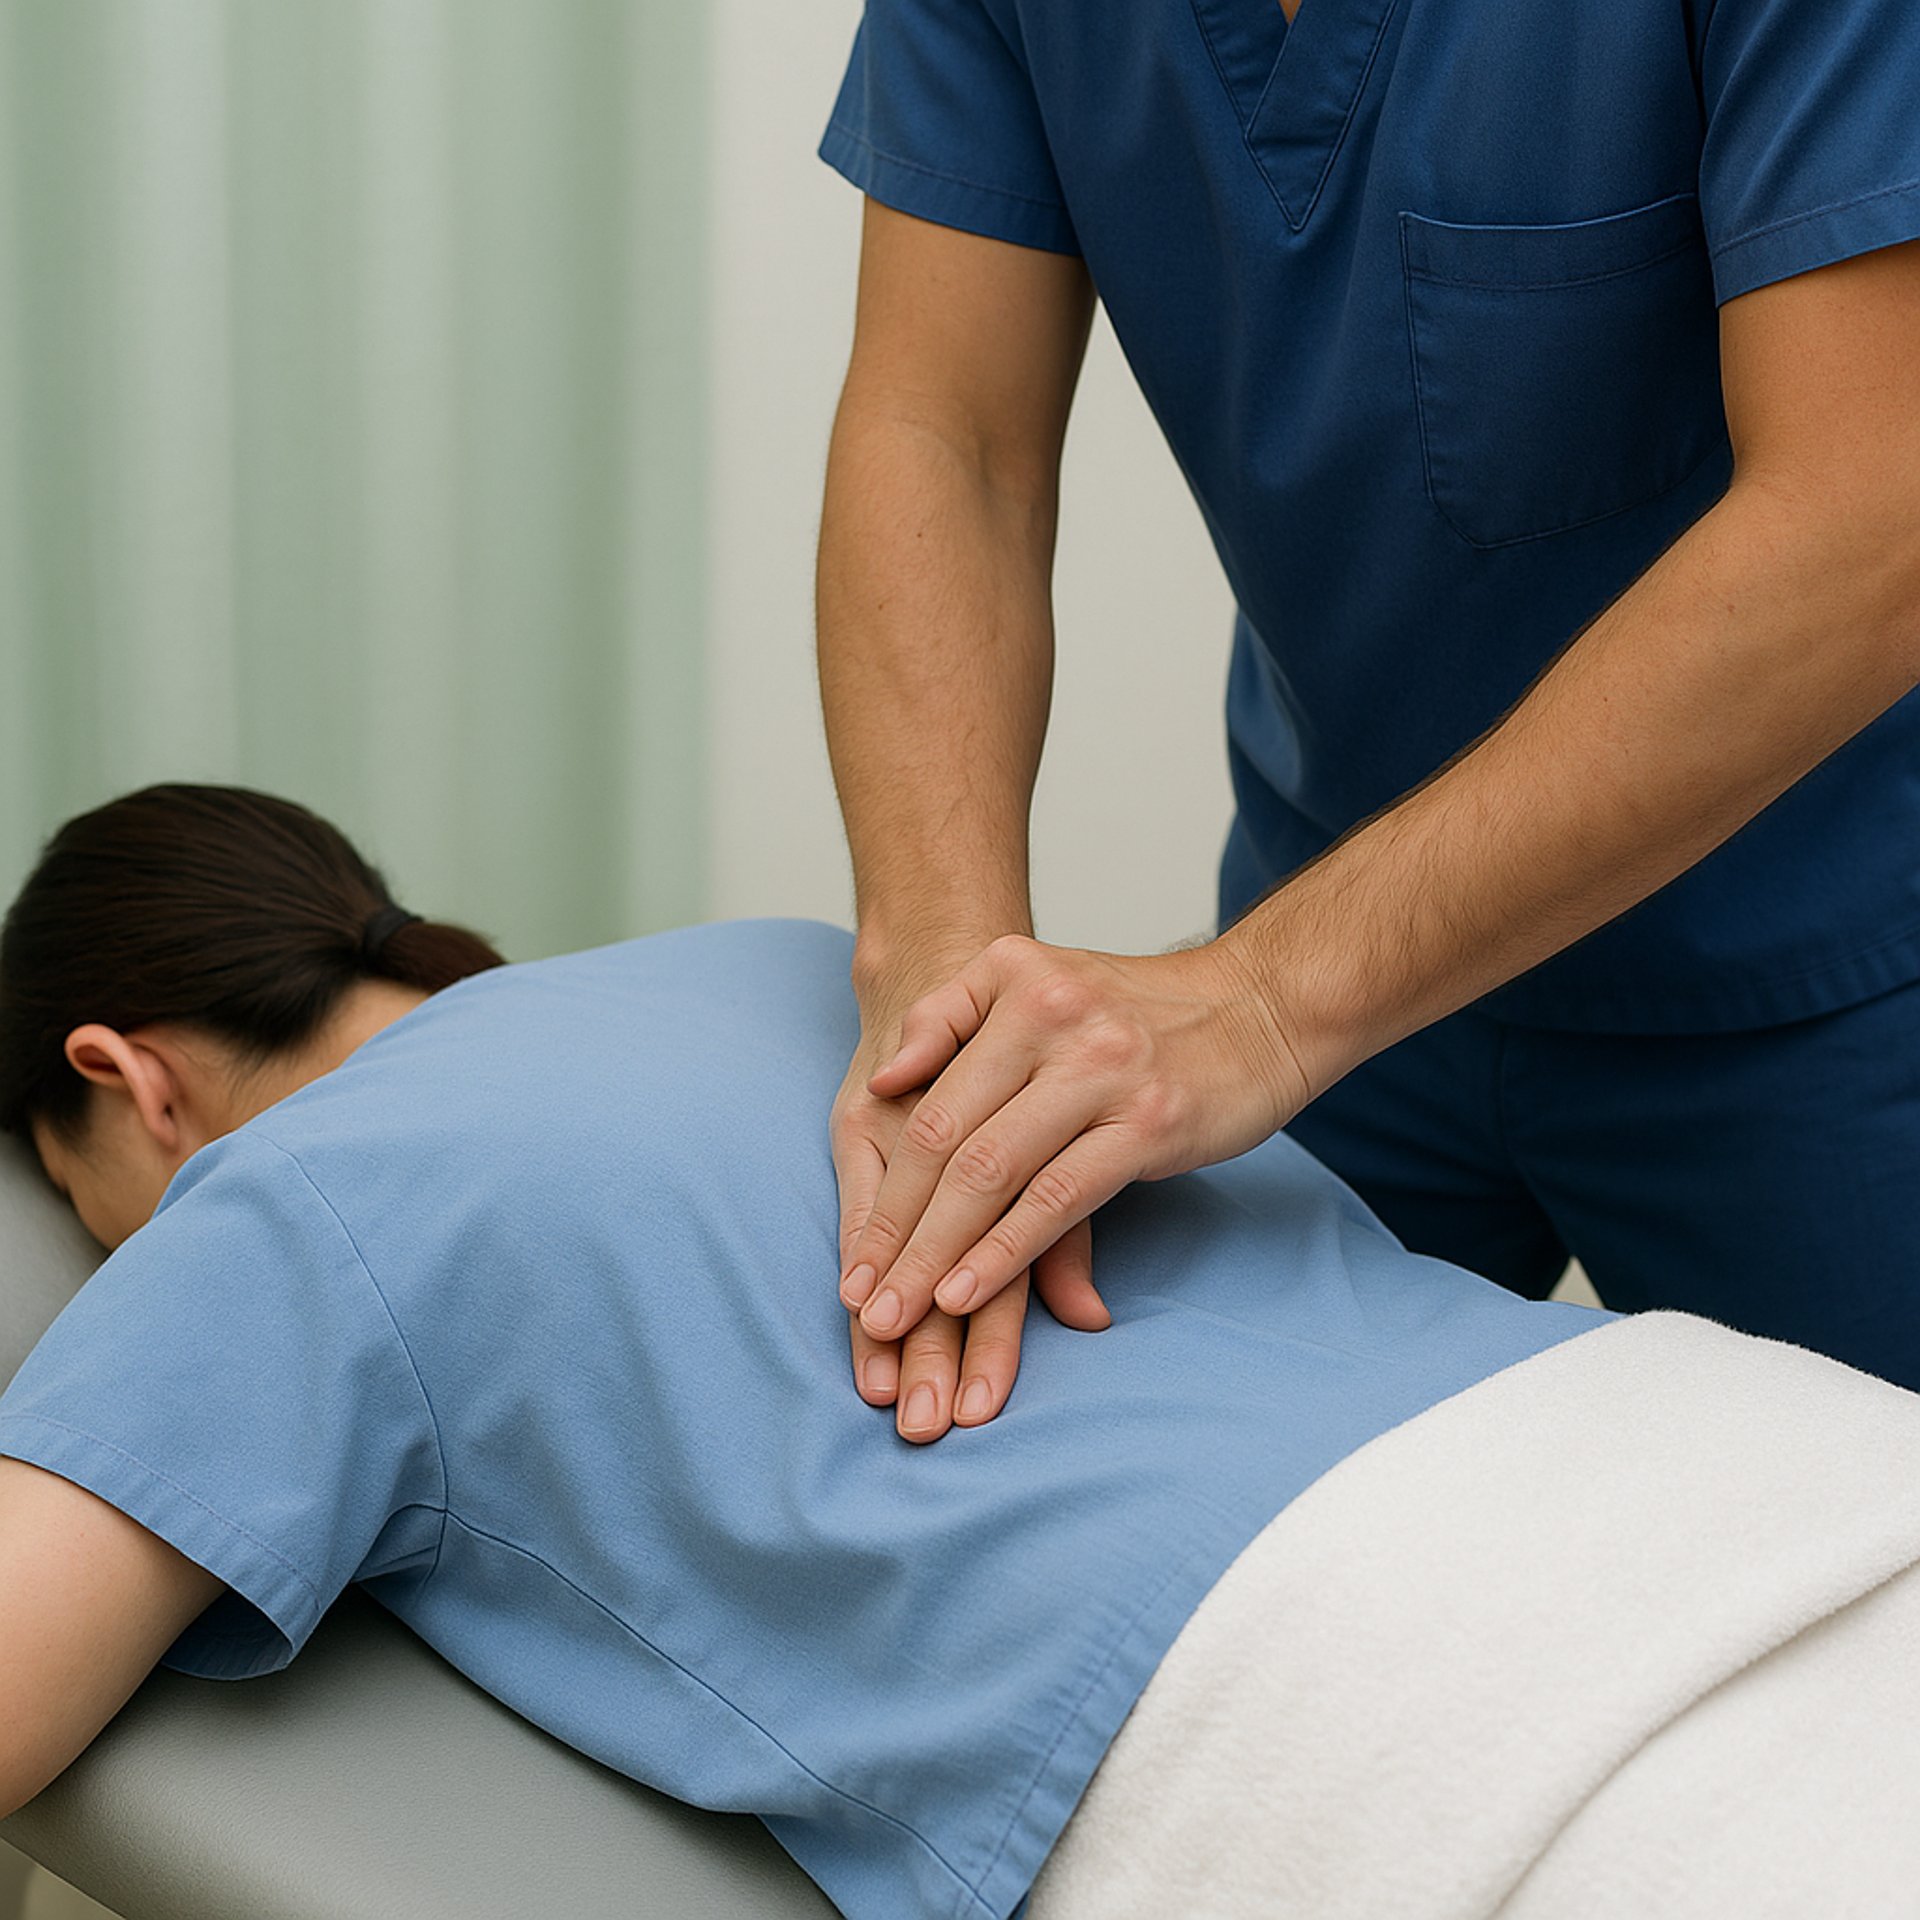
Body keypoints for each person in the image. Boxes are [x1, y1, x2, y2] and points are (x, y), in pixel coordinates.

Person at [0, 783, 1605, 1916]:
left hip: (1384, 1736)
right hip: (1634, 1436)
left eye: (84, 1207)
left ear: (127, 1081)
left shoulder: (289, 1199)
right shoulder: (763, 962)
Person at [812, 0, 1920, 1426]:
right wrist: (939, 988)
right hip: (1334, 928)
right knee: (1224, 1548)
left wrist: (1266, 1000)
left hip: (1829, 976)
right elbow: (942, 433)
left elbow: (1867, 515)